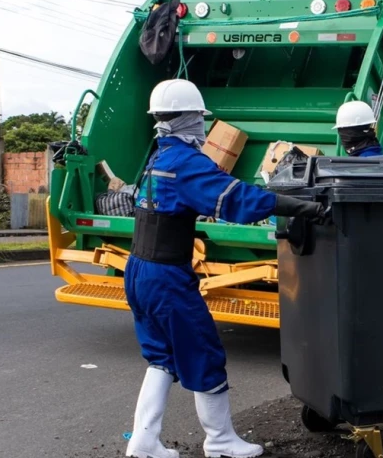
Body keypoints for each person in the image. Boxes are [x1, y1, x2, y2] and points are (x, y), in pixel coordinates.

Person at [124, 79, 324, 458]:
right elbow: (238, 199)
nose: (202, 126)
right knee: (204, 351)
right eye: (199, 119)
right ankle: (219, 441)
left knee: (161, 356)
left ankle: (144, 442)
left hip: (139, 271)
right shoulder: (185, 163)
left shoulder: (158, 158)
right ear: (187, 119)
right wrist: (303, 207)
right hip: (166, 278)